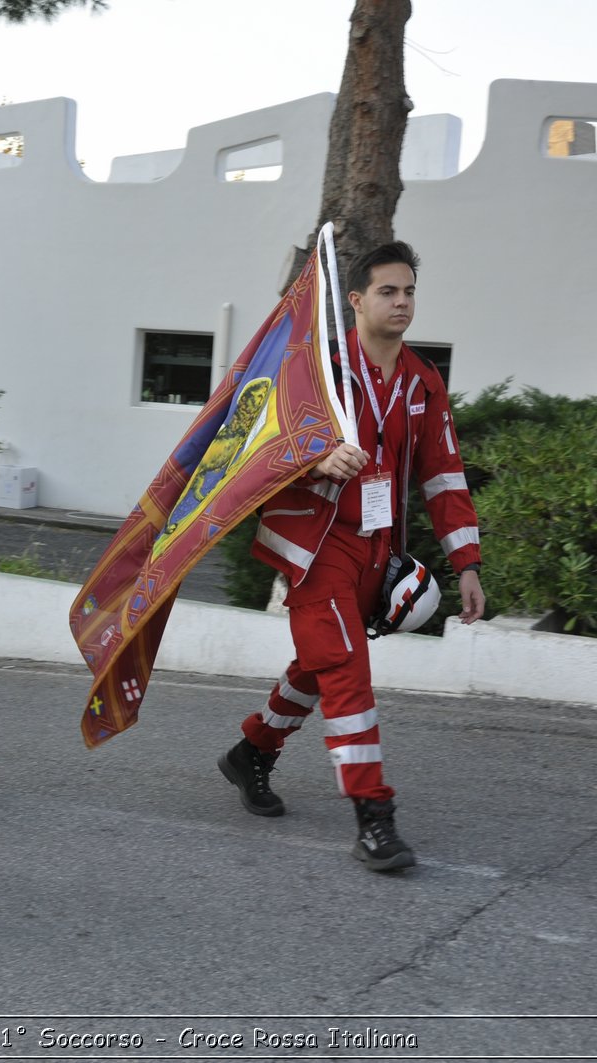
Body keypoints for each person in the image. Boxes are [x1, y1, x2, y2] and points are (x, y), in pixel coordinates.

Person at [218, 241, 485, 872]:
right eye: (388, 292)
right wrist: (316, 457)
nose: (402, 302)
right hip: (315, 548)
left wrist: (466, 564)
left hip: (378, 549)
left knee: (319, 664)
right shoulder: (318, 371)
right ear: (356, 300)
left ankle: (252, 751)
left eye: (409, 291)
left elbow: (443, 475)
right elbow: (253, 446)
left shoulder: (422, 381)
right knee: (344, 664)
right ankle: (374, 818)